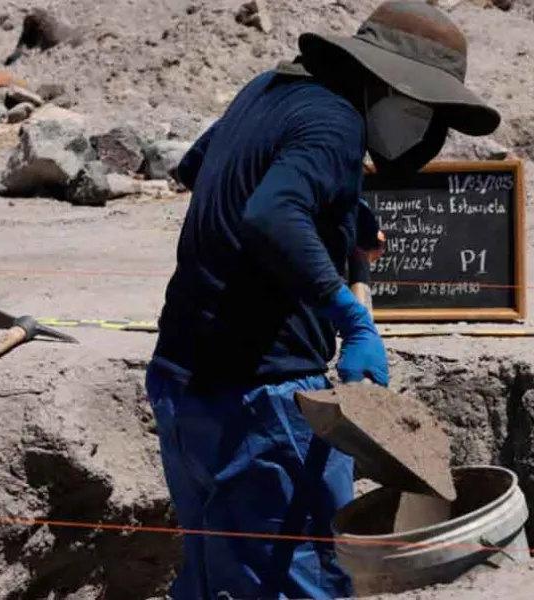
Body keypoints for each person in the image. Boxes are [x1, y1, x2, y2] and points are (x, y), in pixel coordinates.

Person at [144, 2, 501, 598]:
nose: (422, 127)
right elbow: (270, 212)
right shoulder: (336, 121)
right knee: (305, 579)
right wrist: (350, 316)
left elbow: (199, 166)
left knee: (217, 579)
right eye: (423, 111)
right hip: (265, 401)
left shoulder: (268, 88)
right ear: (388, 86)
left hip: (182, 388)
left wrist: (338, 209)